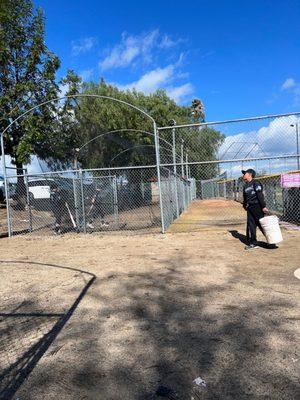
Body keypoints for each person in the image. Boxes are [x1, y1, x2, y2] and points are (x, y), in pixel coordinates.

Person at [242, 168, 269, 250]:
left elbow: (259, 195)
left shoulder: (256, 183)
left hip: (257, 206)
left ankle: (271, 240)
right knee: (251, 225)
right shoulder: (245, 185)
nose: (243, 175)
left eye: (245, 173)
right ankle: (253, 242)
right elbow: (245, 197)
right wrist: (244, 205)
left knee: (261, 224)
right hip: (250, 207)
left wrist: (263, 206)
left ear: (250, 174)